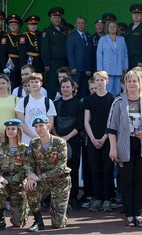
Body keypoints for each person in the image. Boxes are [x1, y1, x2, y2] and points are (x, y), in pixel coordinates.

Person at [107, 69, 142, 227]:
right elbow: (111, 127)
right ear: (125, 84)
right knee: (127, 181)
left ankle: (140, 215)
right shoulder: (118, 102)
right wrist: (113, 148)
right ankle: (129, 215)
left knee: (141, 181)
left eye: (134, 81)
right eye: (129, 81)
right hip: (124, 147)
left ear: (140, 83)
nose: (132, 84)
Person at [25, 115, 72, 232]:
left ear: (48, 126)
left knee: (58, 224)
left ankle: (64, 209)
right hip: (43, 181)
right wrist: (30, 176)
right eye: (36, 126)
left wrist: (38, 177)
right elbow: (28, 163)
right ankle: (38, 221)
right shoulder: (34, 143)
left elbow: (61, 168)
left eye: (41, 126)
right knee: (30, 187)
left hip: (60, 181)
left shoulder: (60, 142)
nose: (38, 129)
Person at [83, 70, 116, 213]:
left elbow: (112, 121)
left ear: (107, 81)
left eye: (102, 80)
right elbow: (86, 121)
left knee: (107, 170)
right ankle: (97, 199)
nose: (100, 82)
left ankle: (108, 199)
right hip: (93, 139)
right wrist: (92, 138)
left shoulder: (112, 99)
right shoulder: (89, 100)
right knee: (95, 170)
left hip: (107, 139)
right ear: (94, 82)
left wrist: (103, 138)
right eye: (97, 80)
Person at [0, 119, 31, 230]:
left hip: (19, 185)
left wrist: (9, 180)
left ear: (19, 131)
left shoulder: (25, 149)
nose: (10, 131)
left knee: (18, 223)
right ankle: (1, 220)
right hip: (4, 182)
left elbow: (26, 170)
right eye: (8, 129)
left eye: (13, 129)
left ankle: (25, 208)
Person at [53, 77, 84, 210]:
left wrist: (67, 137)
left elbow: (80, 124)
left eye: (67, 87)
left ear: (73, 88)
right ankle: (58, 197)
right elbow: (52, 122)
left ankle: (73, 197)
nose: (65, 89)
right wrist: (57, 137)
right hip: (57, 141)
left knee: (73, 169)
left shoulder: (79, 104)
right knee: (57, 170)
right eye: (63, 87)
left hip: (74, 140)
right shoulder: (55, 104)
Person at [15, 73, 57, 143]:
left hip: (43, 141)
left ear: (41, 83)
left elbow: (50, 123)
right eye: (32, 82)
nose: (34, 84)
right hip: (26, 140)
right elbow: (20, 122)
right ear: (29, 83)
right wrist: (32, 136)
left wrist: (42, 135)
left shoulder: (48, 102)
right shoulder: (23, 101)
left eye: (36, 82)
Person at [41, 7, 68, 96]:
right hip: (52, 62)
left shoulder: (64, 30)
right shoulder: (47, 31)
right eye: (55, 17)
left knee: (64, 83)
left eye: (59, 17)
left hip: (63, 61)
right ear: (51, 18)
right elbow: (45, 48)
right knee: (52, 84)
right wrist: (46, 63)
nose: (57, 19)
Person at [97, 21, 129, 95]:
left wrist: (125, 66)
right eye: (110, 27)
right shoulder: (103, 39)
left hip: (119, 67)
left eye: (114, 27)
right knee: (108, 88)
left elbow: (125, 53)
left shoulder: (121, 39)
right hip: (107, 68)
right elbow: (99, 54)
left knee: (118, 89)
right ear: (107, 29)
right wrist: (100, 69)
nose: (112, 28)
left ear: (117, 28)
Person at [66, 16, 92, 98]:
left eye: (82, 23)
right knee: (75, 88)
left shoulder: (88, 36)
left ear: (85, 25)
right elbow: (69, 52)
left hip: (86, 68)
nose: (80, 24)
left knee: (85, 90)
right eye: (78, 23)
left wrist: (88, 67)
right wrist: (72, 67)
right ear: (75, 24)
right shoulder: (71, 36)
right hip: (76, 68)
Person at [127, 4, 142, 70]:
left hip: (138, 60)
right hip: (128, 59)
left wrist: (141, 60)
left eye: (138, 14)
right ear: (132, 15)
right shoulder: (129, 29)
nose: (136, 16)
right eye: (134, 14)